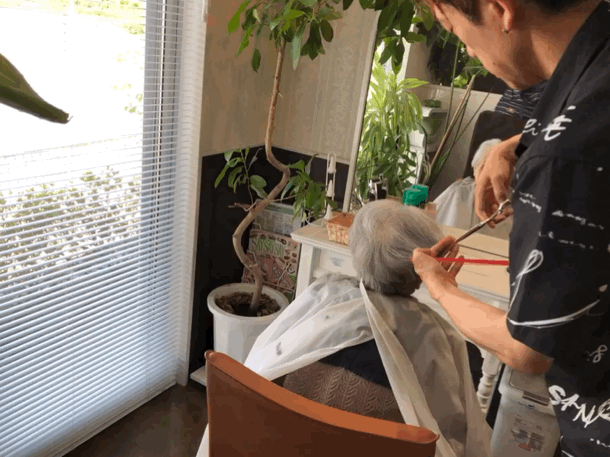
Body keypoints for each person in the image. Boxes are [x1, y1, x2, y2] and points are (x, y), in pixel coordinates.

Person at [412, 0, 610, 454]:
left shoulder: (562, 159)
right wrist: (514, 145)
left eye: (458, 33)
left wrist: (437, 285)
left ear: (500, 9)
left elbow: (526, 349)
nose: (469, 52)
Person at [196, 200, 491, 457]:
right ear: (427, 267)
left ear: (356, 250)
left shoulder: (319, 298)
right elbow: (458, 438)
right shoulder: (447, 342)